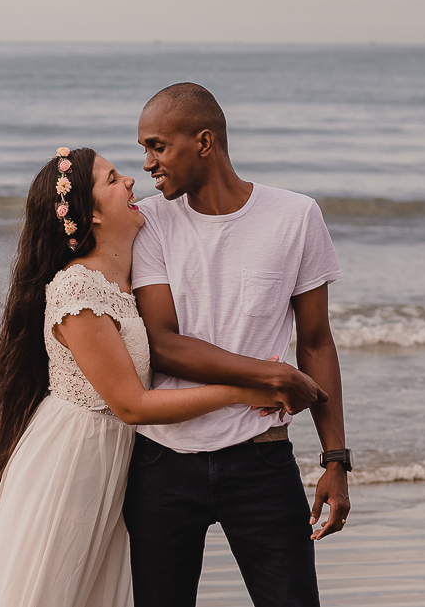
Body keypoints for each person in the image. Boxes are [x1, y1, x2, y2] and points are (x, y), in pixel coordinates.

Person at [0, 146, 305, 607]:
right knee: (52, 590)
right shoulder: (78, 287)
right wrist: (244, 390)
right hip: (73, 462)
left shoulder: (121, 278)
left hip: (113, 460)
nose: (130, 182)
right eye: (112, 179)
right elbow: (132, 405)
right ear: (93, 216)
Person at [126, 83, 352, 607]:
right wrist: (266, 375)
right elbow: (162, 343)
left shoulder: (295, 216)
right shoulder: (150, 221)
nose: (147, 163)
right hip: (163, 463)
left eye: (157, 146)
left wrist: (336, 459)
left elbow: (316, 343)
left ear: (203, 142)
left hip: (261, 459)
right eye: (144, 149)